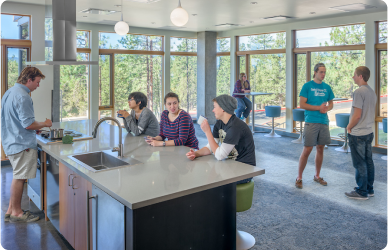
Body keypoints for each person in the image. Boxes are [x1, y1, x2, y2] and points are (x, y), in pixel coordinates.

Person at [1, 67, 52, 223]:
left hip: (11, 141)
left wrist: (32, 130)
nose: (37, 86)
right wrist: (45, 123)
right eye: (37, 82)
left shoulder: (9, 93)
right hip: (22, 144)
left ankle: (11, 209)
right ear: (29, 80)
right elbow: (28, 124)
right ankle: (17, 212)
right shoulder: (23, 96)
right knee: (20, 177)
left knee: (17, 176)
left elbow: (14, 120)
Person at [186, 94, 256, 184]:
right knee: (204, 176)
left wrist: (208, 132)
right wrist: (195, 154)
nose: (213, 110)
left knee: (211, 181)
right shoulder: (219, 123)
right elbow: (210, 147)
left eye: (215, 107)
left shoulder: (235, 127)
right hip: (232, 166)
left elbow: (220, 156)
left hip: (245, 171)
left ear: (223, 108)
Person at [295, 63, 335, 189]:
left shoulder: (327, 87)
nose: (323, 74)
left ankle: (317, 176)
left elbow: (331, 103)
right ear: (315, 72)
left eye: (324, 72)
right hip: (311, 121)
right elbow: (302, 104)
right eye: (321, 72)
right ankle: (299, 177)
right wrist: (318, 108)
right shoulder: (307, 86)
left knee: (320, 148)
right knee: (307, 149)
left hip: (323, 121)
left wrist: (327, 108)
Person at [345, 66, 376, 200]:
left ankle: (361, 191)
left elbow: (357, 115)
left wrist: (348, 126)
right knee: (368, 161)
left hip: (358, 134)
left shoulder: (359, 92)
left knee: (359, 163)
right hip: (369, 132)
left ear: (360, 76)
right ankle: (369, 189)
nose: (353, 77)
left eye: (355, 75)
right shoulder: (371, 91)